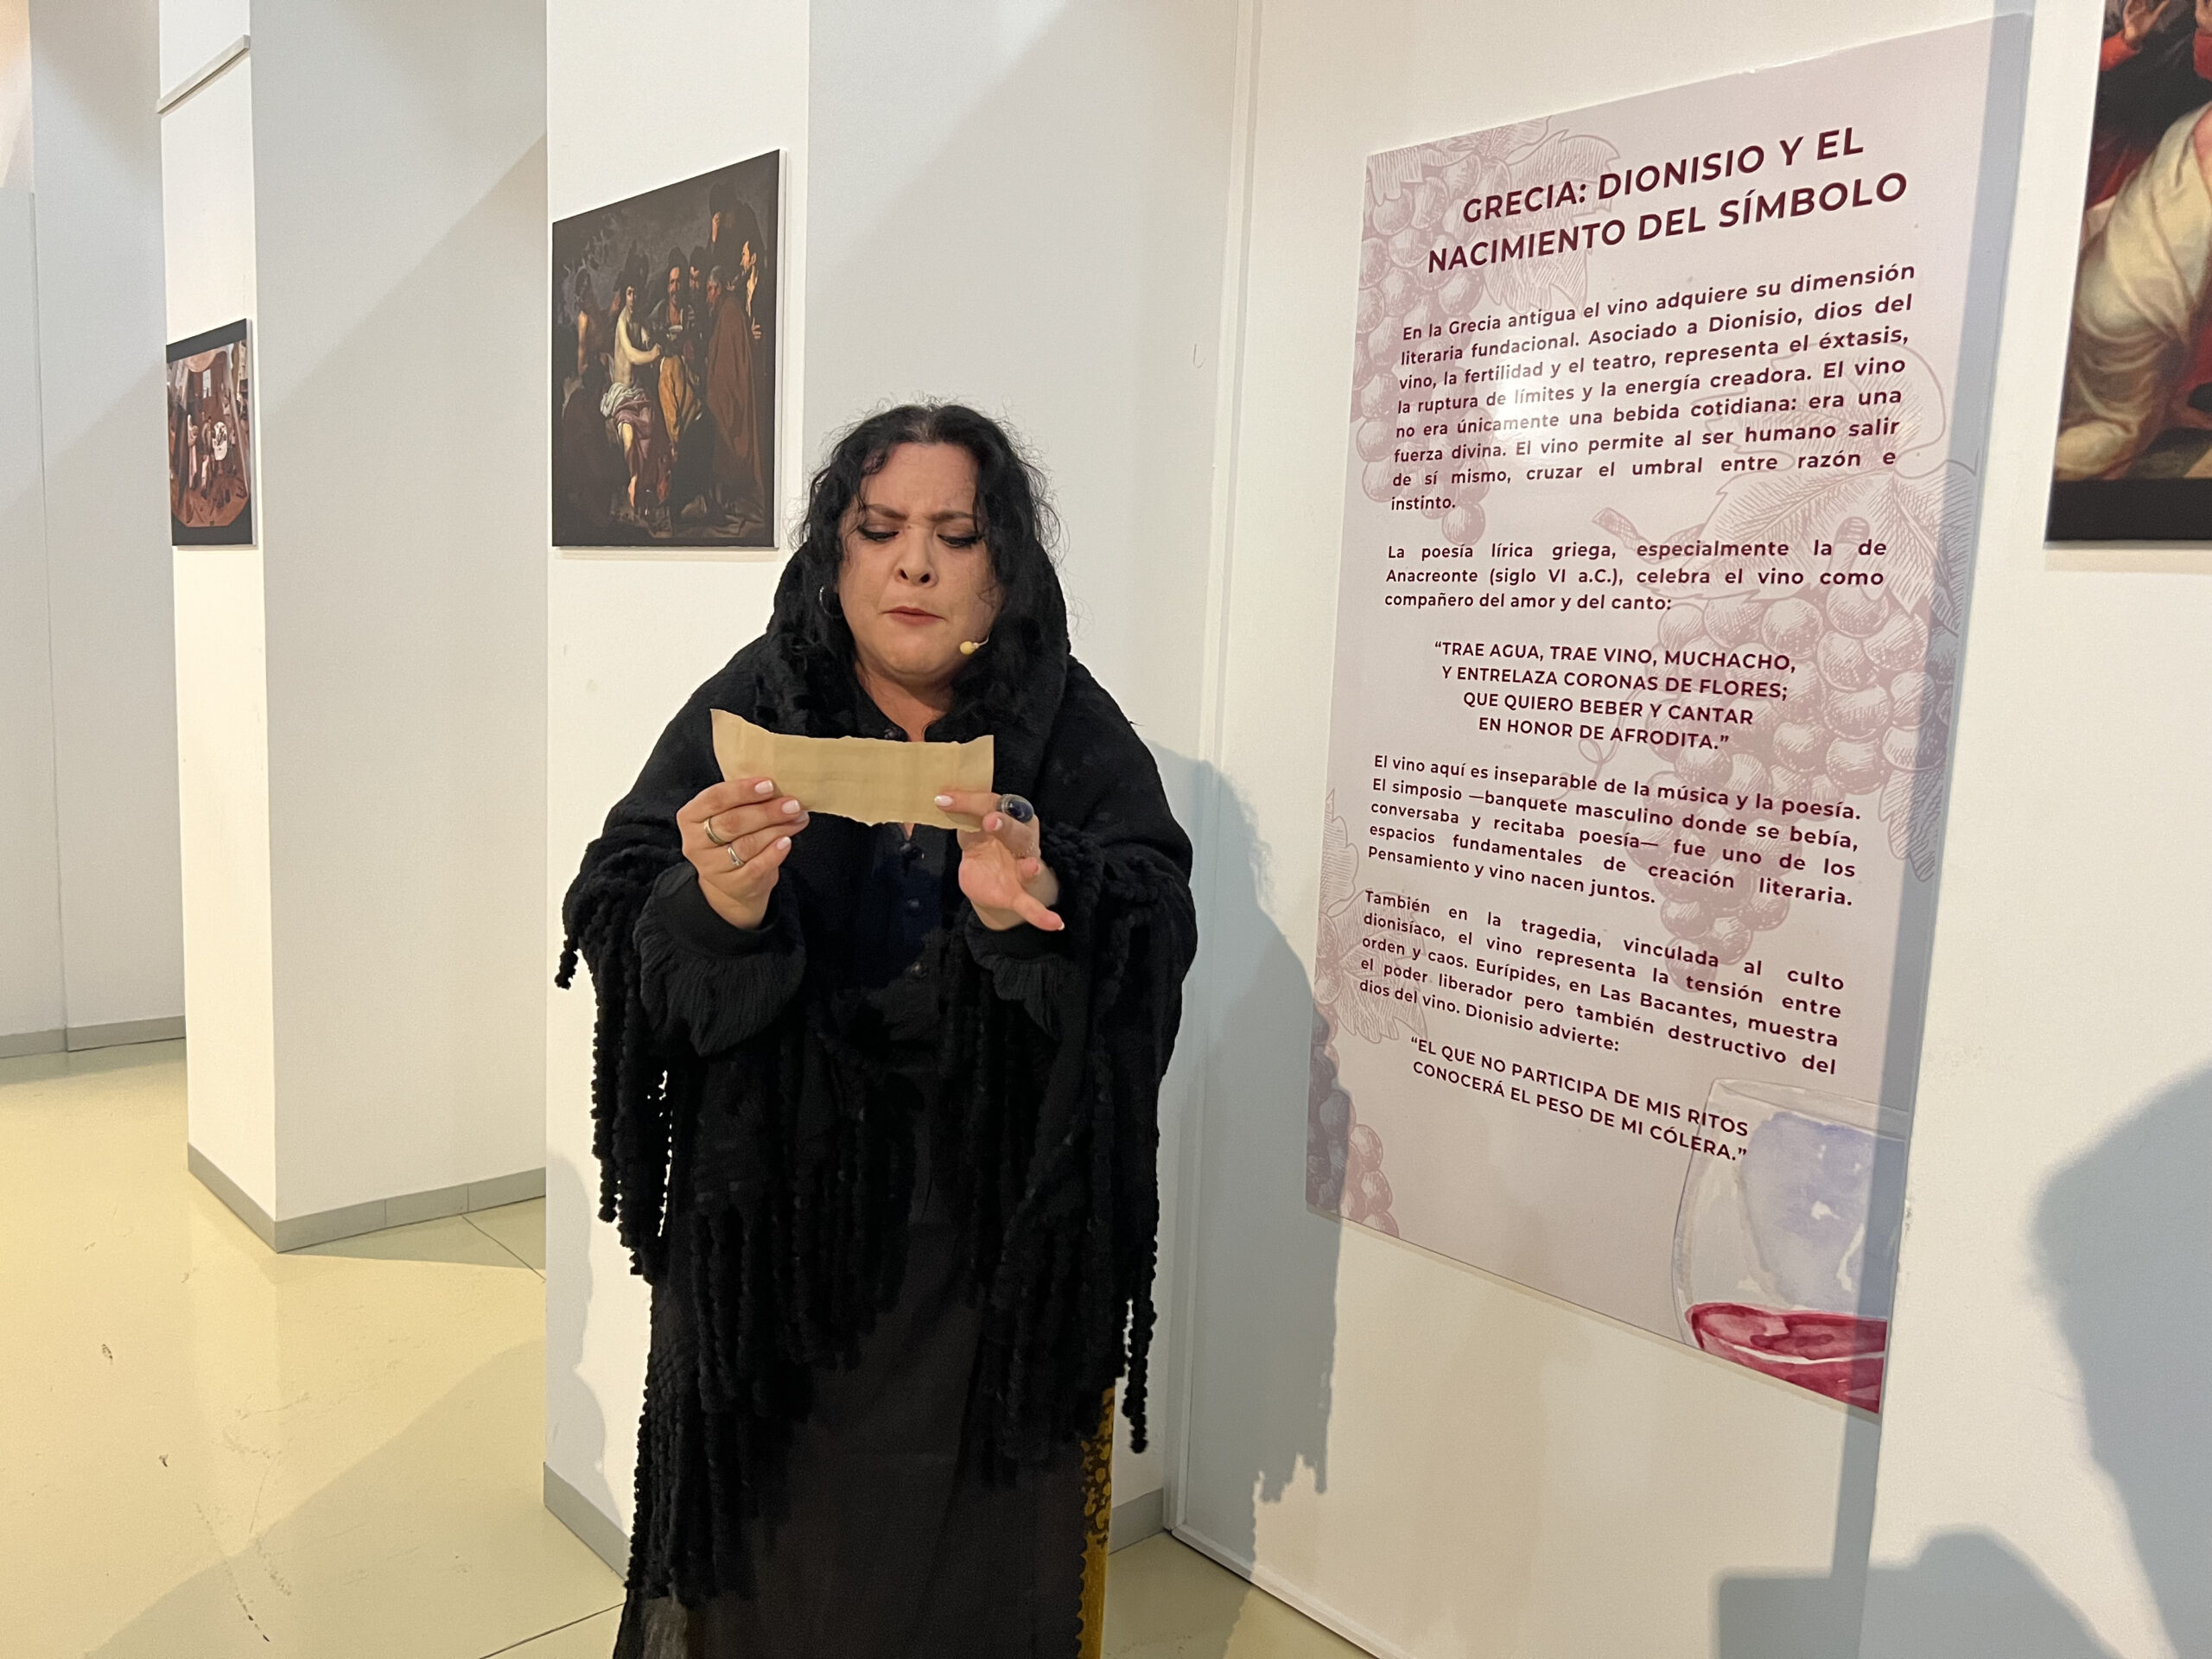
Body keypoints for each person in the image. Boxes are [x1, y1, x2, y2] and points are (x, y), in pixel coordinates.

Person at [559, 404, 1197, 1658]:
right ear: (834, 553)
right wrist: (718, 904)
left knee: (975, 1584)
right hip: (772, 1239)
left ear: (1003, 566)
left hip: (991, 1250)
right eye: (881, 529)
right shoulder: (758, 698)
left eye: (955, 535)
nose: (915, 565)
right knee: (765, 1574)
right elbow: (622, 904)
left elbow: (1152, 927)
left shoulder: (1065, 724)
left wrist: (1039, 902)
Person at [703, 261, 766, 520]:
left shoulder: (729, 312)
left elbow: (731, 370)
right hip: (724, 394)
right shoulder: (726, 312)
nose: (708, 296)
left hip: (727, 398)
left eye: (710, 290)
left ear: (719, 289)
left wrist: (716, 396)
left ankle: (725, 499)